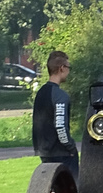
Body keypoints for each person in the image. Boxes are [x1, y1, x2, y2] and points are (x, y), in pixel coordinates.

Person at [32, 50, 78, 179]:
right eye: (68, 67)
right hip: (61, 153)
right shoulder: (59, 95)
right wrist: (70, 146)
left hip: (44, 151)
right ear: (62, 68)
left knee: (52, 189)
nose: (69, 71)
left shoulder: (41, 93)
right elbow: (60, 125)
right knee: (71, 190)